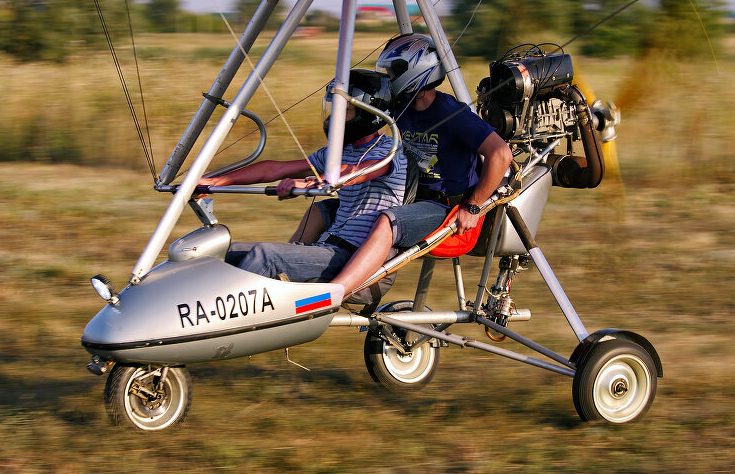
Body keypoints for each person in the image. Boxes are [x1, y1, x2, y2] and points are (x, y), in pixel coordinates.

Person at [330, 34, 513, 301]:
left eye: (394, 72)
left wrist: (473, 206)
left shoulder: (452, 113)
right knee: (330, 207)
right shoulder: (402, 107)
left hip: (445, 207)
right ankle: (293, 278)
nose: (389, 79)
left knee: (387, 220)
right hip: (412, 196)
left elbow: (501, 154)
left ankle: (335, 291)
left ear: (416, 70)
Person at [195, 70, 407, 283]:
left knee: (265, 256)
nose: (336, 117)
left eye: (346, 110)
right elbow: (275, 170)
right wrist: (212, 182)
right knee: (220, 252)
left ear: (369, 115)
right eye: (335, 108)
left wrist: (311, 183)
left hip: (350, 256)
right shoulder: (337, 152)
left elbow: (355, 172)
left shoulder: (389, 151)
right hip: (325, 246)